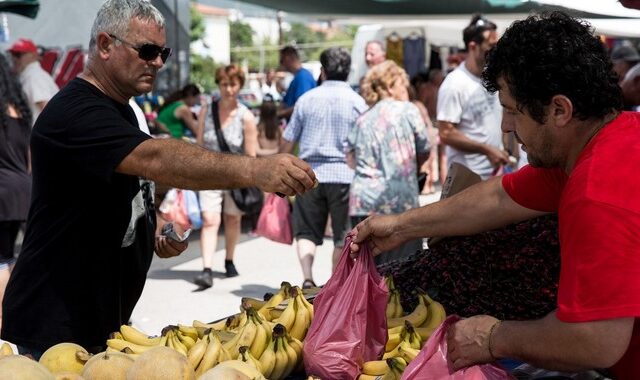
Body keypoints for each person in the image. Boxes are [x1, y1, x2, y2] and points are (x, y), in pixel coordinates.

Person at [1, 0, 315, 357]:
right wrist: (256, 169)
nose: (158, 62)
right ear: (105, 45)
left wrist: (154, 223)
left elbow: (110, 189)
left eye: (162, 52)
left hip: (101, 319)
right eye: (147, 50)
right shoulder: (76, 111)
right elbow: (156, 158)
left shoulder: (121, 111)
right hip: (56, 324)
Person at [350, 12, 638, 378]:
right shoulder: (612, 140)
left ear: (559, 110)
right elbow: (499, 198)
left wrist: (492, 337)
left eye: (512, 111)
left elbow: (594, 341)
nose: (505, 126)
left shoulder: (595, 191)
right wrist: (402, 225)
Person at [280, 47, 367, 288]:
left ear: (323, 71)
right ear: (347, 72)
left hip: (309, 175)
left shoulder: (306, 100)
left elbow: (288, 140)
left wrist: (277, 168)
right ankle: (335, 284)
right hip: (345, 176)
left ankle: (307, 278)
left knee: (306, 231)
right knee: (343, 236)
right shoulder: (358, 102)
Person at [346, 60, 429, 264]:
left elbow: (350, 158)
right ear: (390, 86)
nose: (406, 89)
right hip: (398, 200)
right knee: (404, 270)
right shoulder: (408, 110)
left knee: (369, 270)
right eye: (403, 84)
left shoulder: (363, 118)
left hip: (363, 201)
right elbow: (424, 147)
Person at [194, 64, 259, 288]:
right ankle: (207, 268)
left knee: (233, 219)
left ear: (240, 85)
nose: (229, 89)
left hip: (235, 177)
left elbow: (251, 154)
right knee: (210, 220)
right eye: (224, 84)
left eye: (233, 84)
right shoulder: (206, 111)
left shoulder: (246, 116)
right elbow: (200, 145)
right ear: (218, 85)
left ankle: (229, 259)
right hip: (209, 174)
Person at [437, 15, 509, 179]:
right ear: (473, 46)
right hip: (467, 177)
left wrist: (501, 147)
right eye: (490, 46)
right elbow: (446, 133)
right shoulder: (454, 84)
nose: (495, 51)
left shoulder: (490, 78)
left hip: (493, 172)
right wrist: (486, 149)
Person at [0, 54, 32, 330]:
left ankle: (3, 320)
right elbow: (29, 156)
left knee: (1, 259)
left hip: (2, 192)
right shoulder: (19, 110)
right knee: (19, 256)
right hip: (24, 188)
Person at [7, 38, 59, 124]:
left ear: (33, 55)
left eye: (18, 54)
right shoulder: (29, 75)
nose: (14, 59)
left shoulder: (34, 77)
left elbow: (49, 110)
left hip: (42, 135)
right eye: (12, 54)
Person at [277, 46, 316, 120]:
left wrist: (279, 114)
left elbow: (302, 107)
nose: (281, 64)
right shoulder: (297, 78)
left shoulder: (303, 77)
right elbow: (285, 103)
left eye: (282, 61)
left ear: (288, 59)